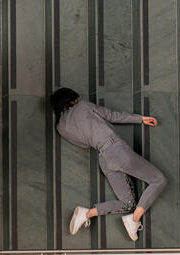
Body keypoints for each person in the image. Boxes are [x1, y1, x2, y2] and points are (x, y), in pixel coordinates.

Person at [51, 87, 166, 242]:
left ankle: (87, 214)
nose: (76, 101)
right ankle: (134, 219)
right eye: (74, 100)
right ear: (71, 101)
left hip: (104, 158)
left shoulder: (61, 128)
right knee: (158, 180)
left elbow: (84, 145)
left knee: (127, 203)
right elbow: (111, 115)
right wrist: (140, 118)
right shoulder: (83, 106)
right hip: (116, 149)